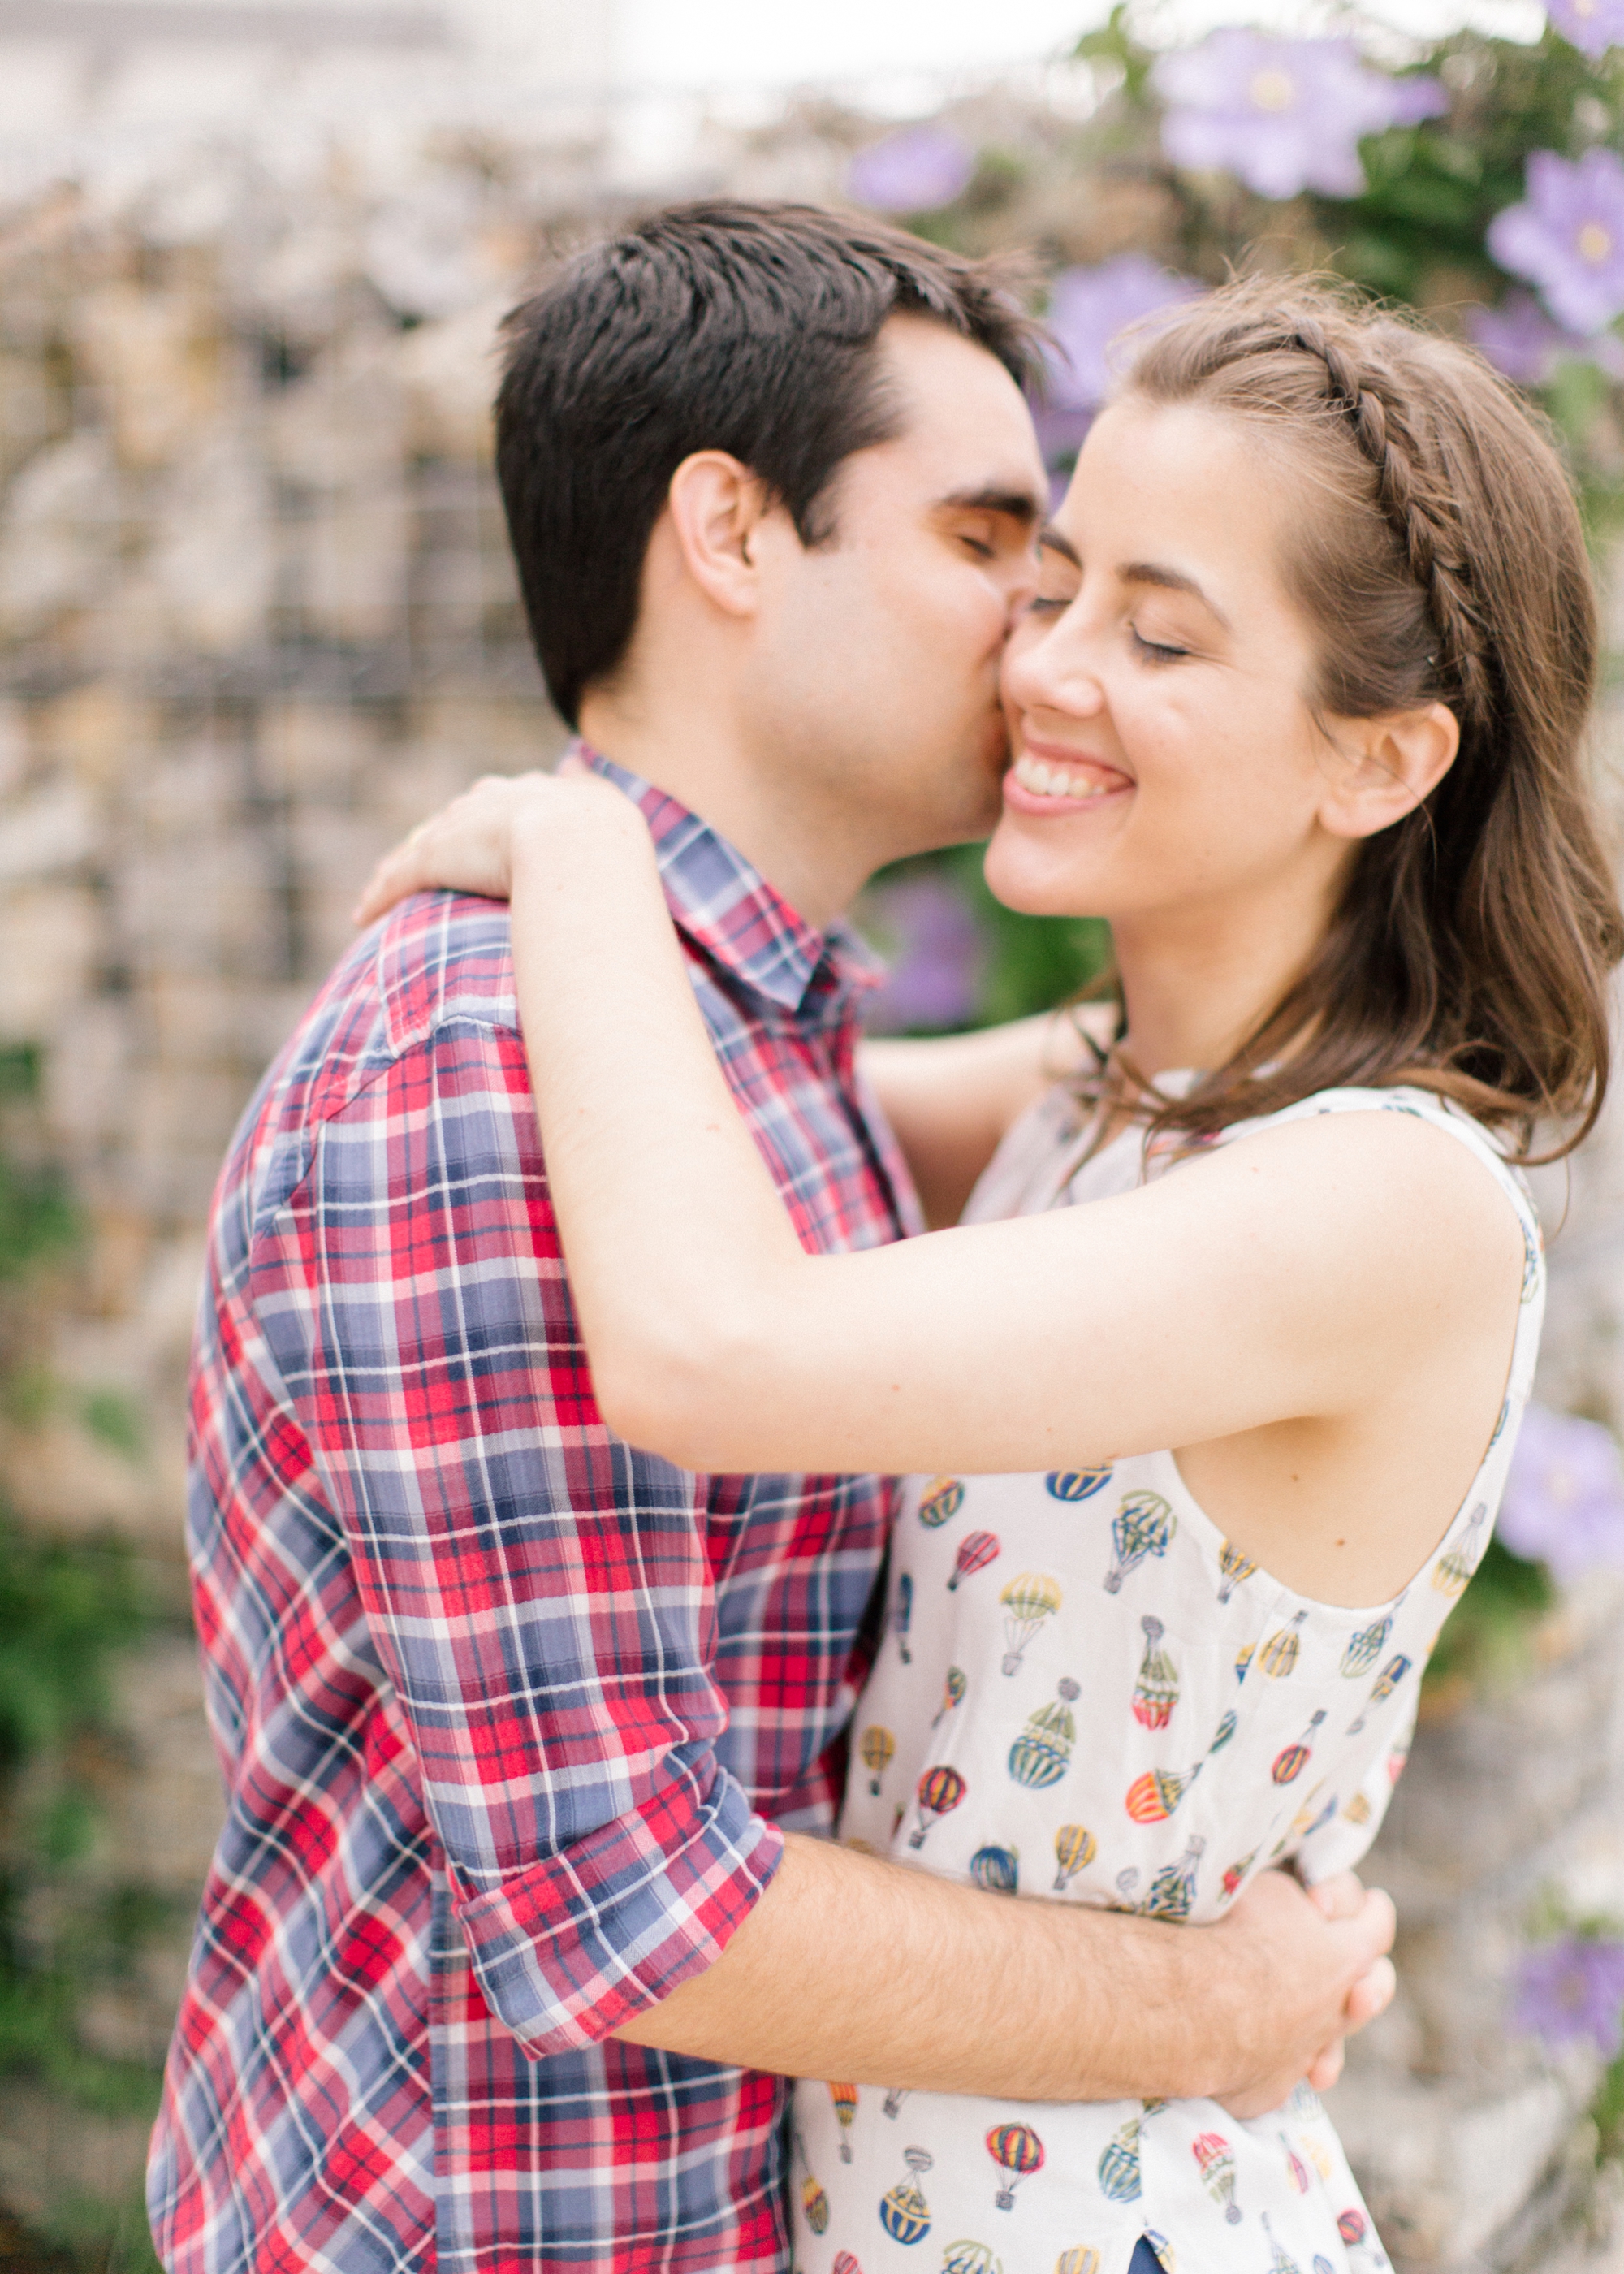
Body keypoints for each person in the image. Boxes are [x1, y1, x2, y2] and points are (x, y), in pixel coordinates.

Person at [149, 208, 1394, 2274]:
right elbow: (612, 1895)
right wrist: (1211, 2008)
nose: (1040, 638)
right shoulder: (490, 1066)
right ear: (729, 532)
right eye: (992, 543)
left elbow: (1184, 1056)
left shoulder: (742, 1041)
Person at [353, 271, 1622, 2274]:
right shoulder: (1122, 1093)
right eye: (1053, 578)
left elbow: (708, 1339)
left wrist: (581, 843)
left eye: (1162, 629)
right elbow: (703, 1120)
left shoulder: (1376, 1203)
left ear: (1377, 760)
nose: (1044, 662)